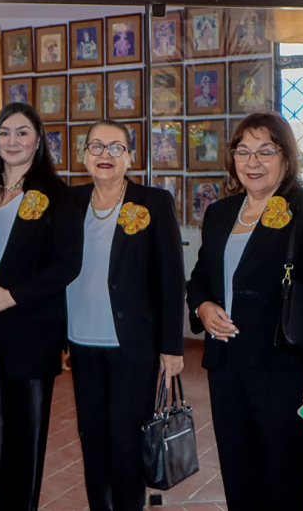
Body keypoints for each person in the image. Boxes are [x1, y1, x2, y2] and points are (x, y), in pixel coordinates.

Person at [187, 112, 303, 511]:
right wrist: (203, 306)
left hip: (286, 372)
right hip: (227, 370)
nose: (253, 162)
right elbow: (200, 279)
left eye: (266, 151)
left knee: (282, 484)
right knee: (239, 481)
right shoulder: (219, 213)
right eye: (243, 151)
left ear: (286, 157)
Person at [68, 119, 185, 511]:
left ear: (131, 157)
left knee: (126, 440)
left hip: (132, 344)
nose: (105, 155)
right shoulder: (70, 202)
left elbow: (172, 278)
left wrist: (171, 346)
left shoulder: (153, 201)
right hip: (81, 341)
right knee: (92, 439)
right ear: (83, 155)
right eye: (96, 146)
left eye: (115, 147)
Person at [0, 102, 83, 510]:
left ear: (38, 140)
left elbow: (67, 265)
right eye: (5, 132)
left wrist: (13, 296)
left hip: (31, 328)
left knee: (24, 437)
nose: (13, 141)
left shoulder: (58, 195)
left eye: (22, 132)